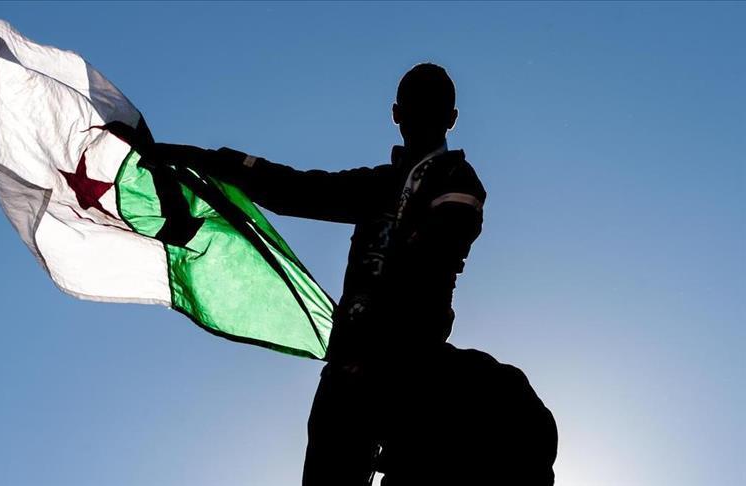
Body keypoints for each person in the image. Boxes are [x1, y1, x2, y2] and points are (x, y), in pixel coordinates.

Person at [145, 63, 557, 485]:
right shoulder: (378, 185)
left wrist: (384, 343)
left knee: (513, 416)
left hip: (409, 356)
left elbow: (438, 249)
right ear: (397, 114)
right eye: (415, 106)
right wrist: (201, 160)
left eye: (432, 107)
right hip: (351, 363)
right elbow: (293, 190)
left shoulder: (458, 179)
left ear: (449, 118)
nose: (422, 116)